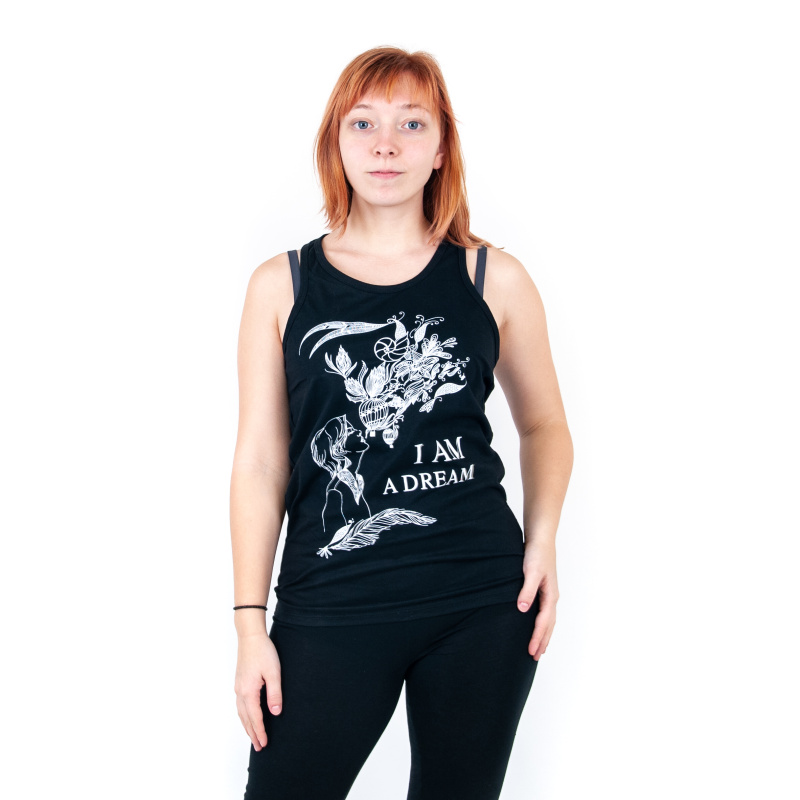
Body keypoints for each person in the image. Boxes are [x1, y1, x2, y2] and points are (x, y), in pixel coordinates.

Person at [230, 46, 573, 800]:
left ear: (442, 146)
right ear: (336, 141)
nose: (386, 144)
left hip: (481, 601)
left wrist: (543, 539)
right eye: (364, 123)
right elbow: (260, 462)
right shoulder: (282, 286)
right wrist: (251, 624)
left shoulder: (493, 277)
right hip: (330, 600)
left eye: (412, 123)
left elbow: (545, 424)